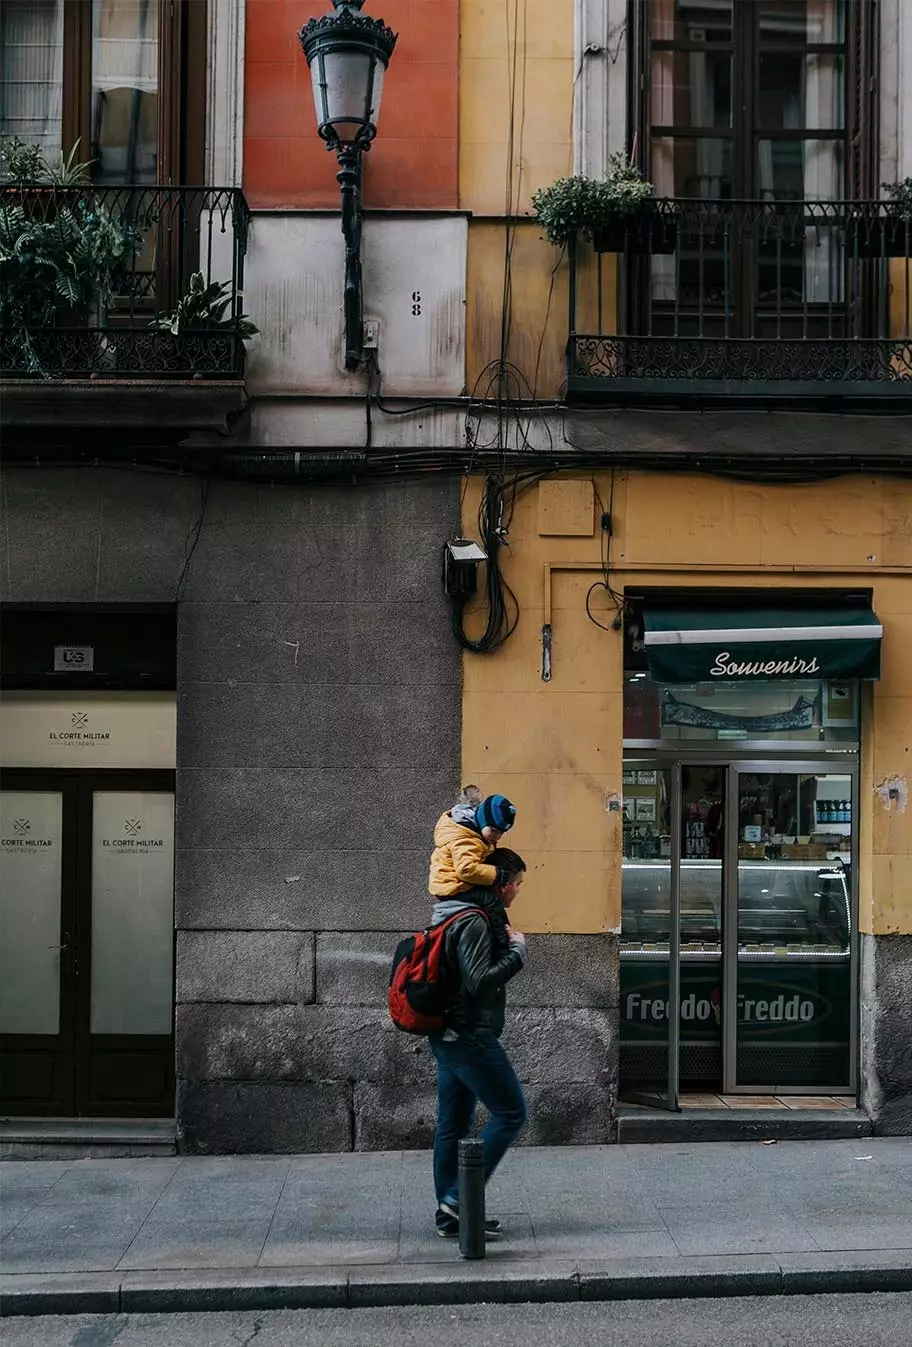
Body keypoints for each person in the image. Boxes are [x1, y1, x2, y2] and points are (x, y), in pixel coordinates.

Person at [428, 845, 529, 1238]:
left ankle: (451, 1213)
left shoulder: (457, 910)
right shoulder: (474, 920)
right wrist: (518, 954)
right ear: (501, 884)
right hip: (468, 1034)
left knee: (453, 1123)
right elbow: (478, 980)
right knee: (511, 1113)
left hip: (451, 1033)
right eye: (518, 883)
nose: (519, 890)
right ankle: (456, 1201)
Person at [428, 786, 518, 898]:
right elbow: (466, 869)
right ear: (482, 820)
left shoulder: (477, 834)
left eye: (501, 832)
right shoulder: (467, 839)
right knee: (491, 903)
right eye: (494, 830)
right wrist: (497, 874)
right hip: (452, 886)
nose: (497, 836)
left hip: (457, 882)